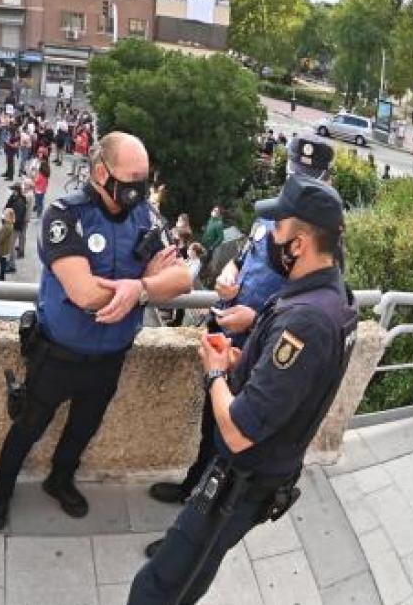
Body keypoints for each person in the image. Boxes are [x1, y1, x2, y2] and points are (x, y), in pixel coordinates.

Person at [129, 175, 358, 604]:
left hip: (243, 480)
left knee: (160, 587)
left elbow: (238, 430)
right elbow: (295, 382)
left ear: (302, 243)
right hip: (258, 473)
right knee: (191, 570)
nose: (271, 237)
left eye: (279, 229)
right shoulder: (333, 295)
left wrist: (216, 372)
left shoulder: (306, 321)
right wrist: (243, 356)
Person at [0, 132, 192, 531]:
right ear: (100, 172)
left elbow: (182, 281)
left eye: (143, 179)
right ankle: (0, 491)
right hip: (57, 355)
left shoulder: (146, 217)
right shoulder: (65, 214)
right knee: (28, 427)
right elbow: (83, 293)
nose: (138, 189)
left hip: (110, 356)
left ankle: (60, 480)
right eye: (130, 179)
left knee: (82, 429)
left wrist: (141, 287)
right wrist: (144, 281)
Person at [142, 135, 335, 555]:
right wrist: (229, 278)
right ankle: (192, 486)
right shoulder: (275, 215)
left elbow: (308, 299)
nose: (295, 182)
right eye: (293, 174)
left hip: (261, 345)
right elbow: (246, 256)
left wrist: (256, 316)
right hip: (229, 330)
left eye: (306, 177)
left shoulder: (323, 235)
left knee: (230, 444)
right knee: (212, 427)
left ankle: (188, 533)